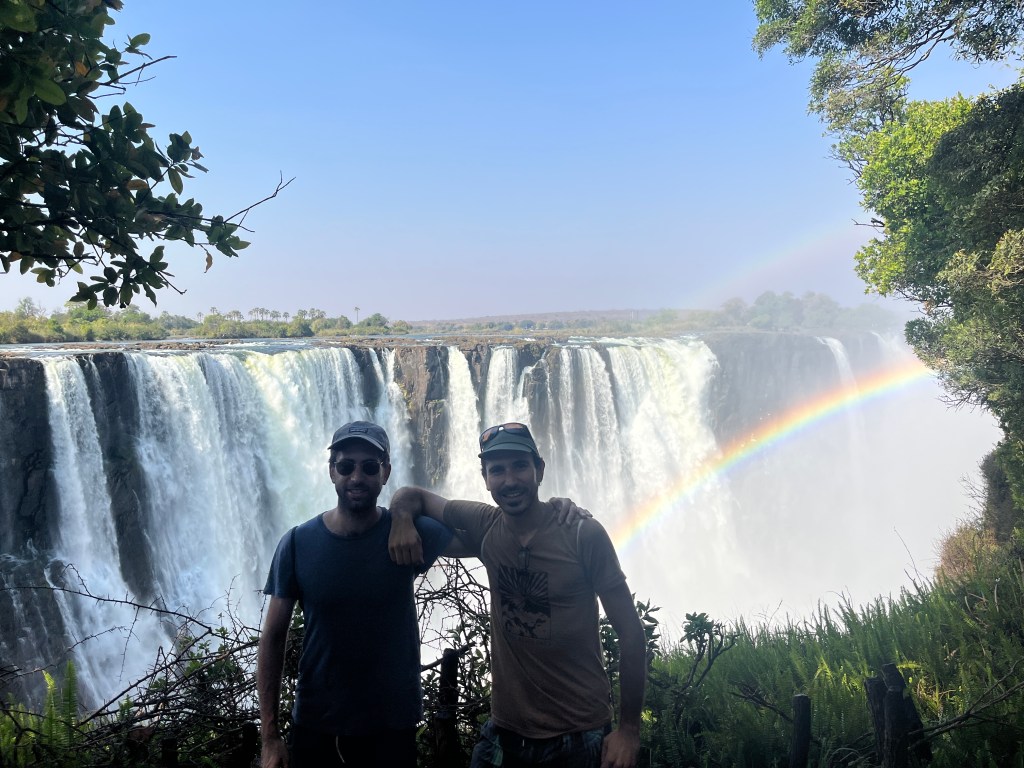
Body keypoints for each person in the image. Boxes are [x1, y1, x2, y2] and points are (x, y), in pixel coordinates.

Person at [388, 421, 647, 768]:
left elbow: (631, 633)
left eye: (520, 466)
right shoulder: (486, 526)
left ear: (539, 470)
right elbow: (412, 496)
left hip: (579, 735)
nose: (509, 481)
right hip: (507, 732)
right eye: (497, 470)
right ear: (485, 478)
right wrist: (400, 519)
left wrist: (628, 731)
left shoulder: (583, 535)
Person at [257, 420, 453, 768]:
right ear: (332, 472)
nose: (357, 477)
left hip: (391, 728)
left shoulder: (407, 534)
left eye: (369, 467)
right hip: (318, 727)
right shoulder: (297, 544)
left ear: (385, 472)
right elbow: (272, 638)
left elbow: (482, 533)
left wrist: (409, 502)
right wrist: (270, 737)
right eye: (346, 466)